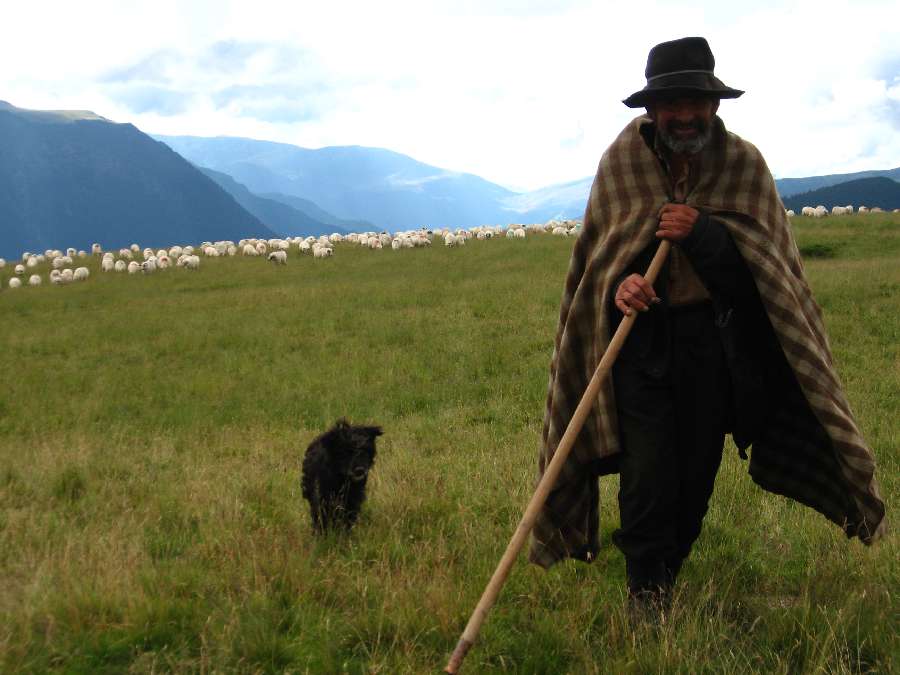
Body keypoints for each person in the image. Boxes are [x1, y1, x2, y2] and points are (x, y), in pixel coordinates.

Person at [528, 37, 885, 607]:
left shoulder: (742, 164)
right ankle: (646, 589)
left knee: (696, 474)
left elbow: (765, 278)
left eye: (695, 101)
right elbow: (600, 263)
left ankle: (667, 571)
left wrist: (705, 234)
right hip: (640, 343)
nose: (684, 114)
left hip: (713, 343)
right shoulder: (621, 163)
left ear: (714, 105)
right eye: (671, 103)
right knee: (647, 474)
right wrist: (621, 288)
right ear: (651, 109)